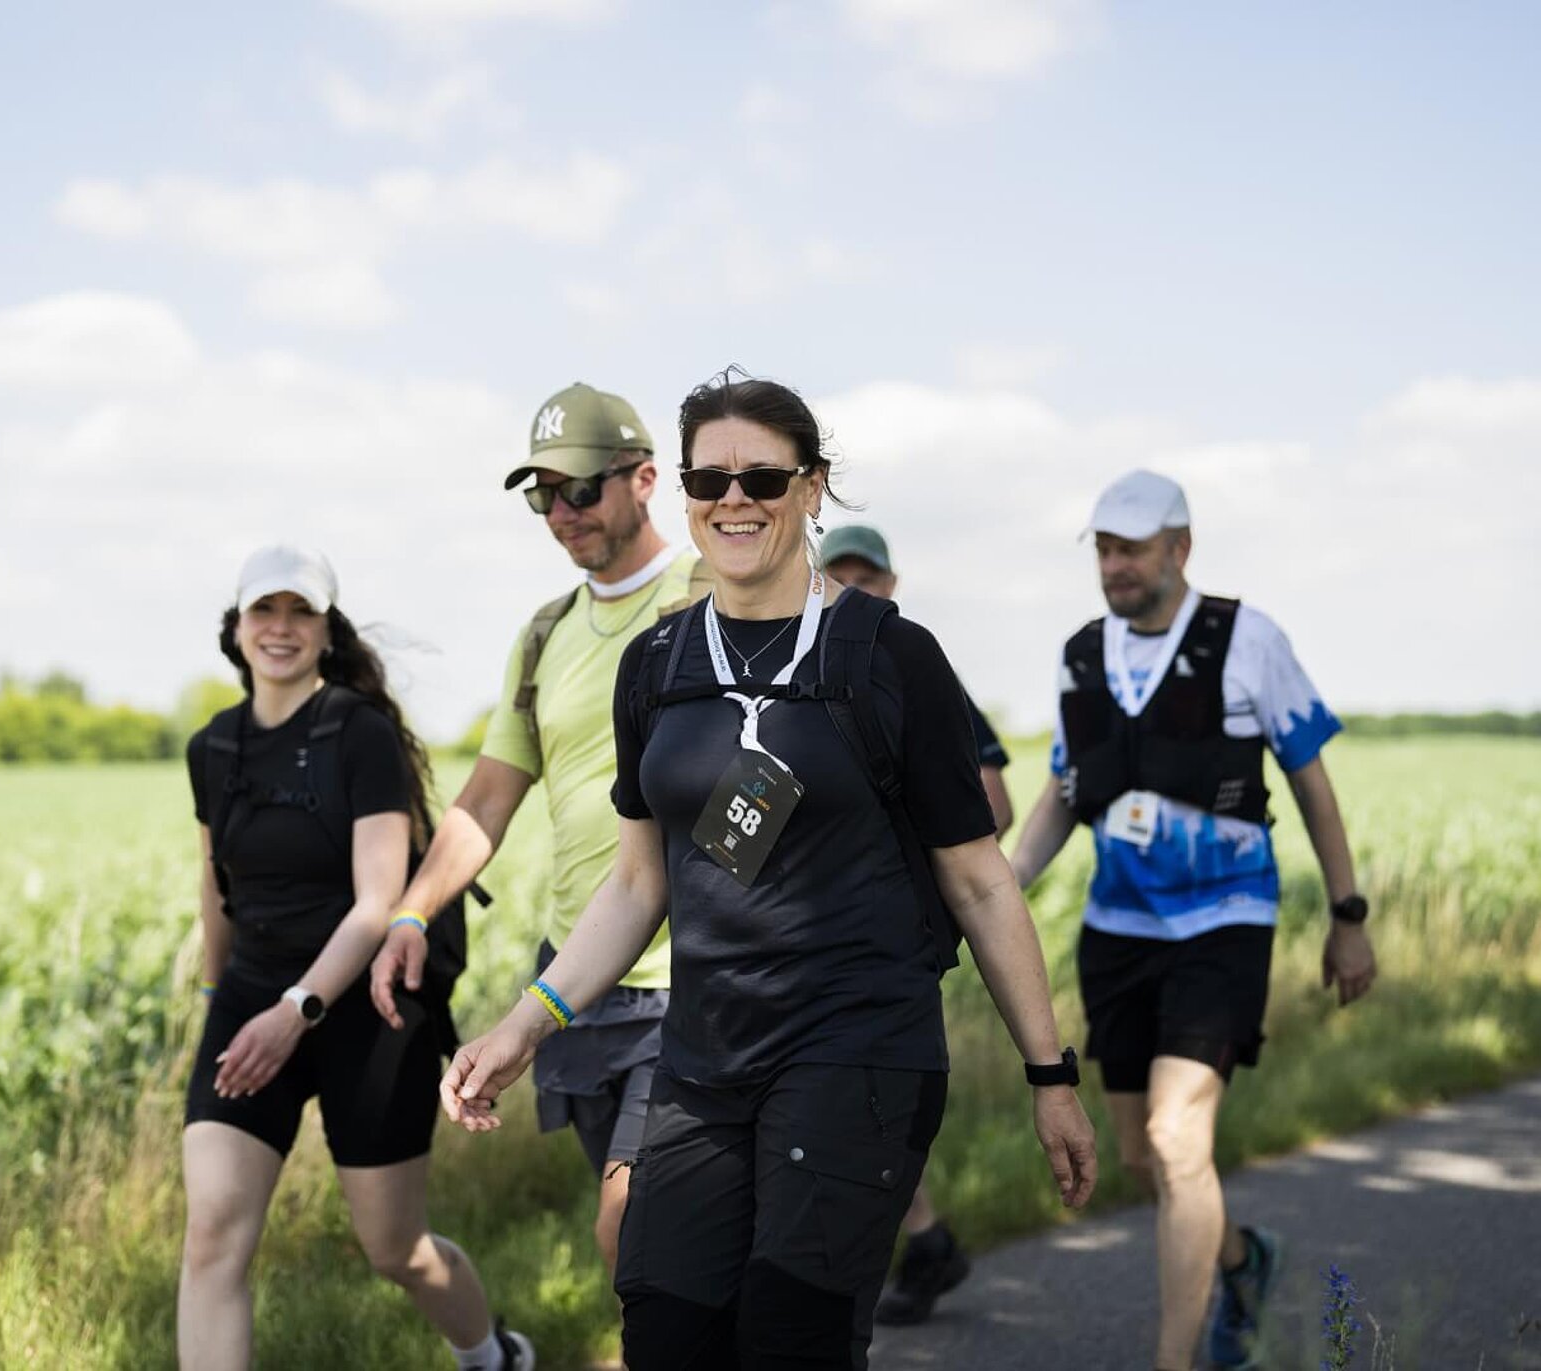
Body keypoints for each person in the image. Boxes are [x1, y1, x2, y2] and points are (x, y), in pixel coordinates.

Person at [440, 371, 1097, 1370]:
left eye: (763, 478)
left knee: (790, 1339)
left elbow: (977, 880)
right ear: (686, 493)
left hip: (856, 1049)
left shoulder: (891, 657)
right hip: (706, 1058)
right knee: (666, 1327)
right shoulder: (656, 669)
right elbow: (636, 886)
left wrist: (1050, 1075)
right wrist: (525, 1023)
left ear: (812, 488)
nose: (734, 500)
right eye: (711, 479)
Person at [1007, 470, 1378, 1371]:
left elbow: (1311, 784)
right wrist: (1002, 885)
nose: (1114, 565)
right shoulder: (1081, 654)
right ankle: (1245, 1262)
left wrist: (1347, 914)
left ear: (1180, 547)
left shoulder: (1249, 639)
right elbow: (1065, 793)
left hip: (1225, 922)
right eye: (1102, 548)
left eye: (1130, 547)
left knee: (1180, 1140)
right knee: (1141, 1153)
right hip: (1118, 927)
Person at [370, 383, 702, 1275]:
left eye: (580, 489)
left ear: (643, 480)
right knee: (670, 1264)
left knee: (632, 1230)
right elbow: (484, 801)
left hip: (693, 972)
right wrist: (410, 914)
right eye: (542, 495)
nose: (560, 513)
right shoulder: (545, 634)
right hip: (580, 980)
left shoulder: (706, 591)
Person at [180, 545, 533, 1371]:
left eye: (300, 612)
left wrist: (294, 1010)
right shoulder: (213, 747)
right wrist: (215, 994)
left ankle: (491, 1357)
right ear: (235, 628)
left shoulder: (356, 732)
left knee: (394, 1247)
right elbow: (214, 883)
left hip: (367, 1007)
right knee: (212, 1238)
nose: (281, 627)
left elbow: (378, 904)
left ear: (326, 630)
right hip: (253, 1001)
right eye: (264, 610)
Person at [817, 522, 1012, 1328]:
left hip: (895, 934)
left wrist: (914, 836)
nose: (856, 590)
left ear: (892, 585)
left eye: (870, 577)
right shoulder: (797, 674)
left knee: (862, 1109)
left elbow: (992, 803)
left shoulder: (915, 667)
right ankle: (925, 1239)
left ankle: (894, 1260)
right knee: (854, 1113)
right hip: (813, 938)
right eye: (841, 575)